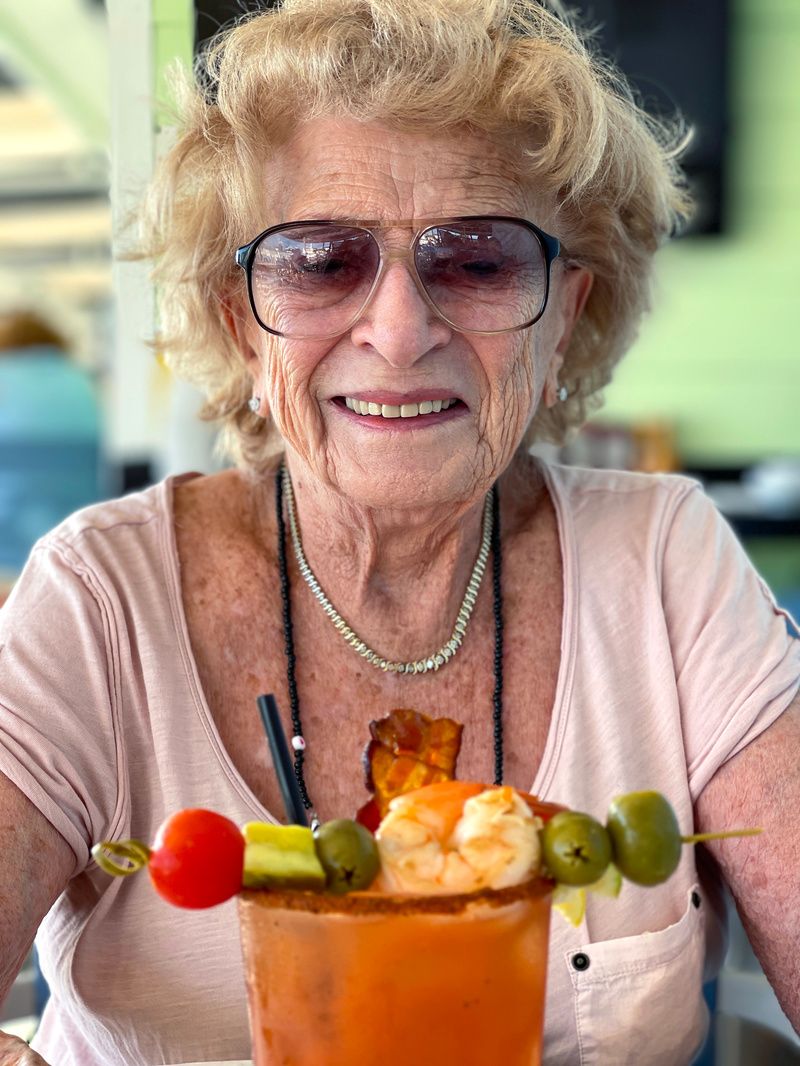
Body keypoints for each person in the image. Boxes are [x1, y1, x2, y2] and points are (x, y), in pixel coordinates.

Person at [1, 1, 798, 1063]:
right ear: (242, 324)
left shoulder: (665, 560)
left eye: (477, 261)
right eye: (320, 259)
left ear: (563, 314)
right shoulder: (100, 596)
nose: (399, 329)